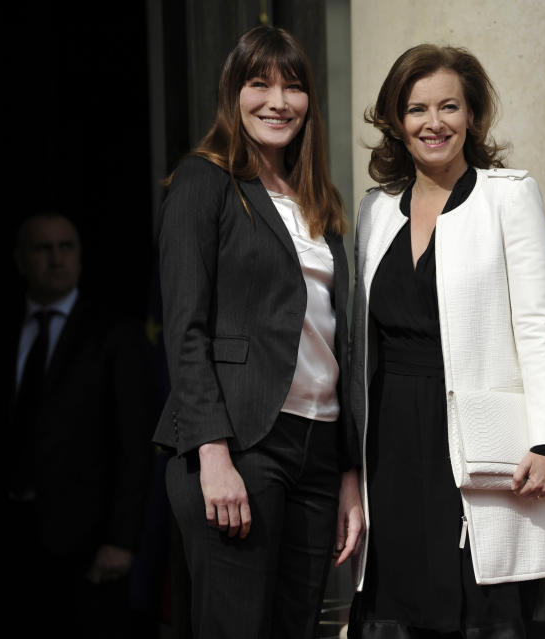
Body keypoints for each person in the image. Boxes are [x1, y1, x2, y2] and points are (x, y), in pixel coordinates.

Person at [348, 44, 545, 638]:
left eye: (449, 106)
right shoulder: (375, 212)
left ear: (471, 115)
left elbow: (538, 323)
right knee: (399, 598)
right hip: (390, 437)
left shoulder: (509, 195)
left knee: (484, 599)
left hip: (476, 435)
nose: (434, 122)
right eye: (417, 109)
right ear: (397, 122)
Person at [153, 25, 362, 639]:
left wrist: (348, 471)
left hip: (318, 454)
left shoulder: (319, 201)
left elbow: (339, 343)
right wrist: (211, 453)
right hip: (240, 445)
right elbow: (184, 328)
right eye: (259, 83)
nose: (278, 101)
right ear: (233, 93)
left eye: (293, 87)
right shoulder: (204, 180)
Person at [0, 212, 153, 637]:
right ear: (20, 260)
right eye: (42, 249)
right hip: (7, 542)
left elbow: (135, 443)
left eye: (65, 247)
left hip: (87, 546)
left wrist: (122, 539)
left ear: (80, 256)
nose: (55, 259)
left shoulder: (116, 334)